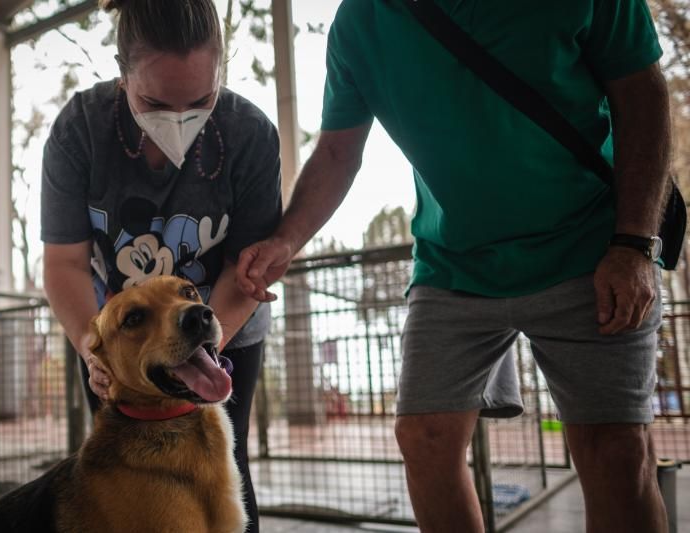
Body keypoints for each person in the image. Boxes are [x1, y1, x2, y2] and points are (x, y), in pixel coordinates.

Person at [236, 1, 672, 532]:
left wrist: (634, 244)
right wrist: (285, 240)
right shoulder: (361, 20)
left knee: (616, 453)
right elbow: (335, 152)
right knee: (424, 438)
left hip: (589, 248)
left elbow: (644, 100)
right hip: (454, 264)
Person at [41, 1, 281, 531]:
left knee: (223, 473)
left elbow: (249, 269)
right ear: (122, 74)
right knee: (125, 480)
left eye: (200, 100)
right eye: (153, 101)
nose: (177, 120)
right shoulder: (78, 130)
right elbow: (63, 264)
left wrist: (202, 347)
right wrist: (91, 345)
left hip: (223, 320)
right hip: (118, 333)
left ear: (222, 69)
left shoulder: (251, 135)